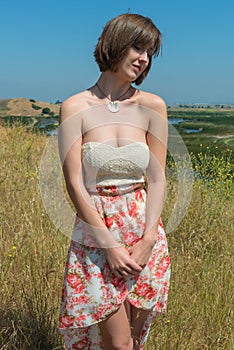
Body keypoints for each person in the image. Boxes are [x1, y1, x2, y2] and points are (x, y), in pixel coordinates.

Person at [58, 13, 171, 350]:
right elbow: (75, 183)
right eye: (138, 47)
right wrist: (108, 243)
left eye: (149, 52)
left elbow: (157, 178)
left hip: (144, 232)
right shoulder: (74, 106)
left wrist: (150, 237)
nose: (144, 59)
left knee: (135, 341)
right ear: (115, 44)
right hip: (97, 236)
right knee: (118, 344)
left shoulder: (152, 105)